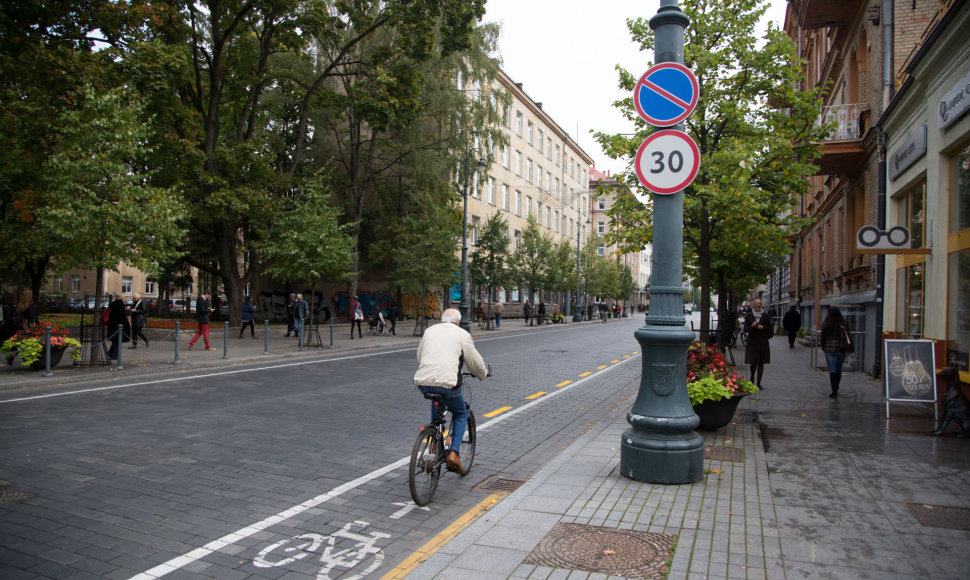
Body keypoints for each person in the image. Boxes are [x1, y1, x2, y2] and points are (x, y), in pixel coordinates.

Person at [413, 309, 488, 475]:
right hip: (448, 383)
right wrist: (482, 374)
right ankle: (454, 453)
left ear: (442, 320)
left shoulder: (429, 331)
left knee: (437, 401)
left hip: (424, 381)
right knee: (461, 413)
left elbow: (420, 356)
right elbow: (473, 361)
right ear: (458, 322)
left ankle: (433, 438)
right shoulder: (462, 334)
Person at [819, 307, 852, 399]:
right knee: (838, 368)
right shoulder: (843, 323)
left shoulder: (826, 323)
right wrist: (850, 348)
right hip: (841, 348)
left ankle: (833, 391)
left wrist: (823, 346)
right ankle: (836, 386)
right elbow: (848, 335)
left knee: (832, 368)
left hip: (829, 349)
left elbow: (823, 336)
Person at [743, 299, 773, 389]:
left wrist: (763, 327)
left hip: (762, 342)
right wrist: (752, 326)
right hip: (752, 341)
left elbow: (770, 328)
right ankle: (752, 377)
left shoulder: (765, 315)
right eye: (756, 307)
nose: (757, 309)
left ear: (761, 306)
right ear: (753, 307)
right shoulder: (749, 315)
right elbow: (745, 329)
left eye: (759, 307)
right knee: (753, 362)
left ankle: (759, 383)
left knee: (761, 362)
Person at [106, 295, 130, 359]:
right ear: (121, 298)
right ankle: (114, 355)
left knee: (115, 341)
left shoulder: (113, 304)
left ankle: (111, 353)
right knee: (117, 340)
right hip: (118, 325)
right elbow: (122, 316)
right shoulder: (120, 304)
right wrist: (126, 323)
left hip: (112, 325)